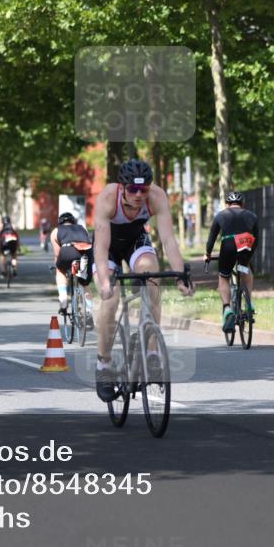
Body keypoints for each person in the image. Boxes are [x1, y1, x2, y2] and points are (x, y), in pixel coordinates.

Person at [92, 159, 192, 402]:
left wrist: (180, 276)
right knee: (111, 298)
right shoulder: (108, 198)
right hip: (108, 248)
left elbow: (168, 240)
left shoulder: (156, 196)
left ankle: (152, 353)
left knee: (152, 276)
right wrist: (104, 282)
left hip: (136, 241)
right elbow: (101, 248)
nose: (139, 195)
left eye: (143, 189)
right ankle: (103, 363)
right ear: (122, 188)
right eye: (133, 189)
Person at [204, 191, 258, 331]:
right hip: (245, 244)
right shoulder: (252, 216)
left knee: (224, 276)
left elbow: (211, 239)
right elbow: (256, 239)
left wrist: (207, 254)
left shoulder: (220, 215)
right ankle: (249, 303)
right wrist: (249, 256)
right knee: (245, 268)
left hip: (228, 246)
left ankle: (227, 309)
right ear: (242, 204)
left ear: (227, 204)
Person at [51, 212, 94, 320]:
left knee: (60, 270)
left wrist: (58, 266)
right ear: (73, 221)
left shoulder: (56, 231)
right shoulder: (82, 228)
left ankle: (63, 299)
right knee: (84, 284)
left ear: (60, 222)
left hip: (66, 251)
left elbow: (57, 254)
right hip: (83, 254)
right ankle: (89, 313)